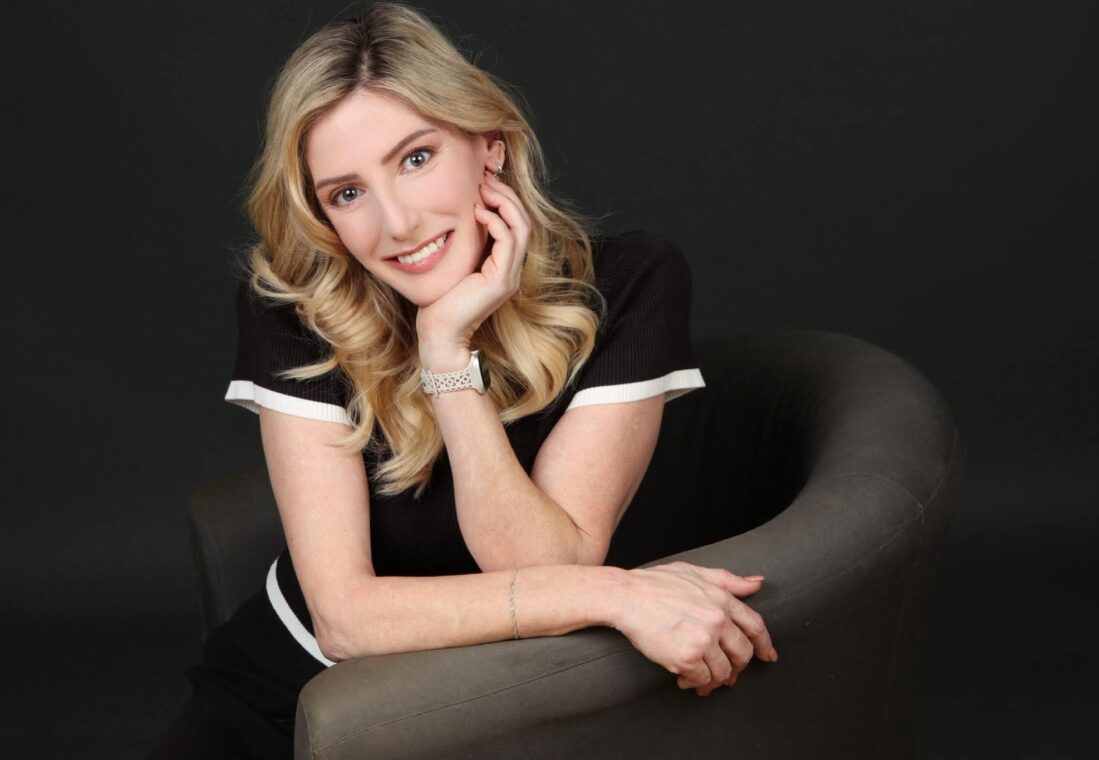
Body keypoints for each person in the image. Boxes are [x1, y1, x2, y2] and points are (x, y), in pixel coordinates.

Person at [152, 3, 776, 757]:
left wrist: (448, 359)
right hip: (290, 699)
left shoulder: (628, 285)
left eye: (416, 159)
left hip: (500, 709)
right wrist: (618, 591)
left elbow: (542, 567)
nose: (397, 224)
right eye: (347, 193)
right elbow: (344, 620)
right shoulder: (296, 307)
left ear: (490, 148)